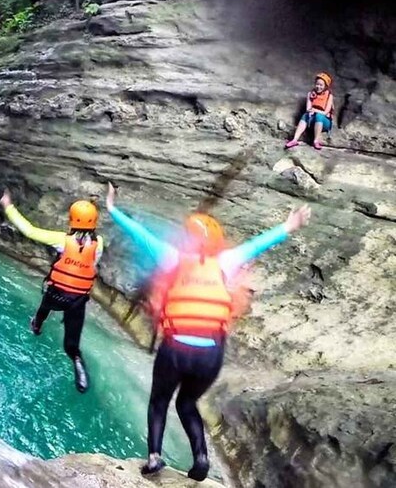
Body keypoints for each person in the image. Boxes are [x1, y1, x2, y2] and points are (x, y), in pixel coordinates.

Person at [105, 183, 311, 481]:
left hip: (176, 348)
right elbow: (259, 243)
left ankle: (154, 457)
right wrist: (289, 225)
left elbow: (139, 234)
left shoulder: (172, 256)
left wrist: (112, 208)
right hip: (210, 354)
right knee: (187, 403)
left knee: (159, 401)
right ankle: (201, 457)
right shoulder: (227, 262)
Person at [0, 189, 103, 393]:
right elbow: (92, 263)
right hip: (77, 300)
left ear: (71, 220)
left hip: (57, 294)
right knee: (71, 345)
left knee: (44, 307)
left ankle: (37, 325)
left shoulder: (62, 240)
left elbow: (29, 230)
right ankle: (78, 365)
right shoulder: (98, 245)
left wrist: (7, 205)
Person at [285, 72, 335, 150]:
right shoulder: (310, 94)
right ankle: (295, 139)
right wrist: (311, 111)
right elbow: (308, 108)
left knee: (319, 116)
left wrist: (315, 110)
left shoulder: (329, 96)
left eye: (321, 85)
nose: (318, 87)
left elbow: (326, 112)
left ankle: (316, 141)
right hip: (312, 120)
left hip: (325, 121)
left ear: (325, 86)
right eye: (317, 84)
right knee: (305, 115)